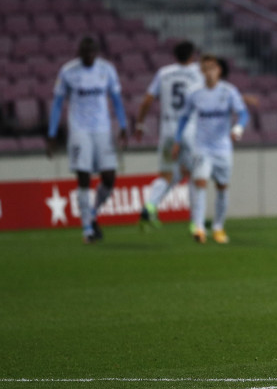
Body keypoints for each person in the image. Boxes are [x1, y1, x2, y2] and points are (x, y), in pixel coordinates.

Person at [46, 36, 128, 244]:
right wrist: (52, 133)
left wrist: (124, 125)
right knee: (83, 178)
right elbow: (57, 104)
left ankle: (92, 212)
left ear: (97, 52)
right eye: (85, 53)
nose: (89, 56)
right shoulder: (68, 71)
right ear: (79, 53)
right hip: (79, 130)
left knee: (109, 177)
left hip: (102, 130)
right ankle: (87, 229)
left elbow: (116, 99)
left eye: (92, 52)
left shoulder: (107, 70)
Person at [171, 54, 249, 244]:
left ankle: (218, 227)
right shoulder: (194, 93)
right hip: (202, 147)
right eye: (205, 68)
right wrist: (177, 139)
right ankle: (199, 227)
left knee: (222, 186)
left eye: (212, 67)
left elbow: (243, 113)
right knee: (200, 183)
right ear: (201, 71)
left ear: (219, 70)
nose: (209, 72)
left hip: (222, 148)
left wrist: (238, 128)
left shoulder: (229, 91)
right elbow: (183, 117)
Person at [135, 40, 203, 229]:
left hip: (167, 130)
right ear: (192, 55)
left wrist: (140, 123)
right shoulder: (198, 72)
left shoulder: (163, 73)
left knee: (166, 174)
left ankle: (150, 206)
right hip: (189, 129)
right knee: (194, 175)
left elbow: (147, 100)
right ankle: (195, 222)